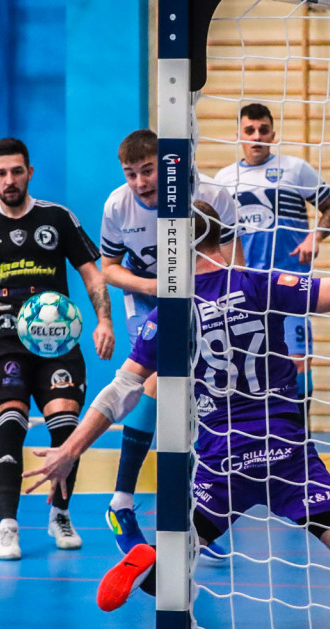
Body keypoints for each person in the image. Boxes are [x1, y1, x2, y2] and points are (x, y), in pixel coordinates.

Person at [24, 171, 330, 629]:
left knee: (176, 564)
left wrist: (69, 449)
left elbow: (121, 392)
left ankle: (149, 561)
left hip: (221, 458)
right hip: (286, 450)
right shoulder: (261, 283)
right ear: (223, 238)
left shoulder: (167, 313)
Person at [0, 137, 114, 561]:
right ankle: (7, 526)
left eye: (16, 171)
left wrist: (104, 322)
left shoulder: (57, 218)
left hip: (57, 340)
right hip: (3, 340)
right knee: (11, 424)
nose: (9, 180)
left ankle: (59, 513)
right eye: (1, 173)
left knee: (65, 428)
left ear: (29, 173)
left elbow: (92, 275)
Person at [100, 129, 237, 562]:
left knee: (198, 397)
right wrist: (150, 285)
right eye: (131, 173)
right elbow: (108, 267)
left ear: (170, 164)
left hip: (202, 294)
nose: (140, 182)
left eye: (148, 170)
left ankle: (192, 513)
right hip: (147, 299)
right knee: (156, 380)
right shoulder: (117, 205)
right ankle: (121, 502)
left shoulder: (214, 194)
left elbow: (231, 259)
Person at [215, 103, 330, 428]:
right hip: (244, 290)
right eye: (249, 130)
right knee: (241, 368)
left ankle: (298, 441)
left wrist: (316, 236)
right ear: (238, 135)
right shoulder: (224, 179)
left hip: (290, 289)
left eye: (263, 130)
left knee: (298, 364)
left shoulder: (295, 169)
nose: (257, 137)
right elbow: (215, 236)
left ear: (273, 134)